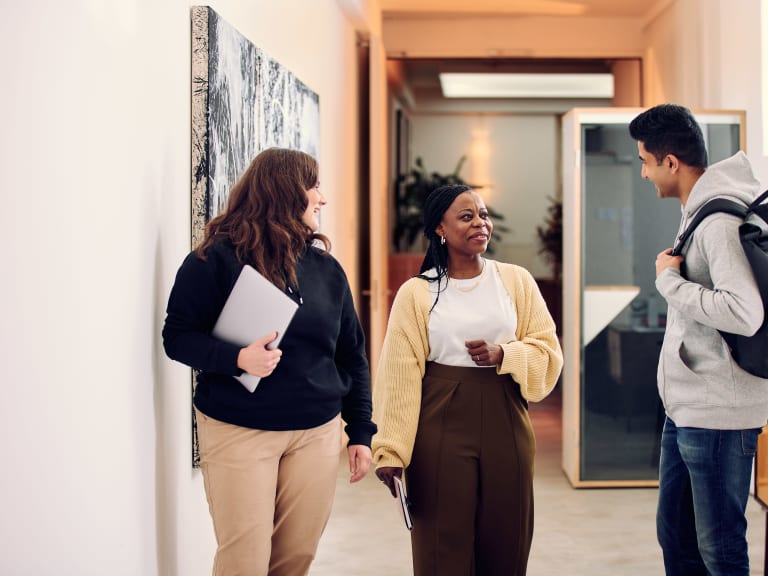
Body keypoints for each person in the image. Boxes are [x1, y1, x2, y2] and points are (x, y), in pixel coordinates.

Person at [162, 147, 376, 576]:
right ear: (286, 189)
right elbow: (177, 337)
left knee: (296, 558)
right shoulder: (214, 259)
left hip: (316, 432)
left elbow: (351, 355)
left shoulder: (327, 270)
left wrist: (360, 432)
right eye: (314, 186)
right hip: (239, 428)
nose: (323, 198)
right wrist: (238, 358)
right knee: (245, 560)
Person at [372, 184, 563, 575]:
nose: (481, 223)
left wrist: (505, 354)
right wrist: (390, 450)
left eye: (484, 215)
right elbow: (399, 375)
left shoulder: (515, 281)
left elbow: (548, 352)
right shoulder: (417, 293)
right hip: (439, 421)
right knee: (441, 544)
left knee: (507, 540)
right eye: (467, 216)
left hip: (506, 417)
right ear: (440, 228)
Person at [629, 103, 768, 576]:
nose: (643, 173)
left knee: (719, 548)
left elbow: (745, 312)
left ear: (670, 162)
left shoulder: (717, 223)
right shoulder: (698, 213)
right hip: (689, 407)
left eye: (645, 162)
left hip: (720, 413)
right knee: (676, 536)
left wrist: (668, 281)